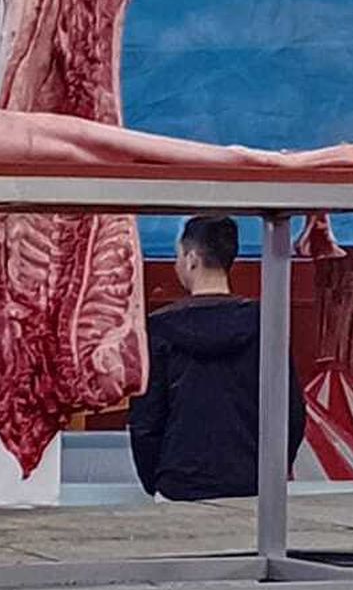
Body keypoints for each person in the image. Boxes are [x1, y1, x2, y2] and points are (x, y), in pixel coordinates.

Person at [127, 214, 306, 502]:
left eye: (178, 256)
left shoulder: (160, 329)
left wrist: (156, 479)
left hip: (178, 486)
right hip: (251, 486)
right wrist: (270, 471)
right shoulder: (265, 323)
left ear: (192, 259)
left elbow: (145, 420)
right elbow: (291, 411)